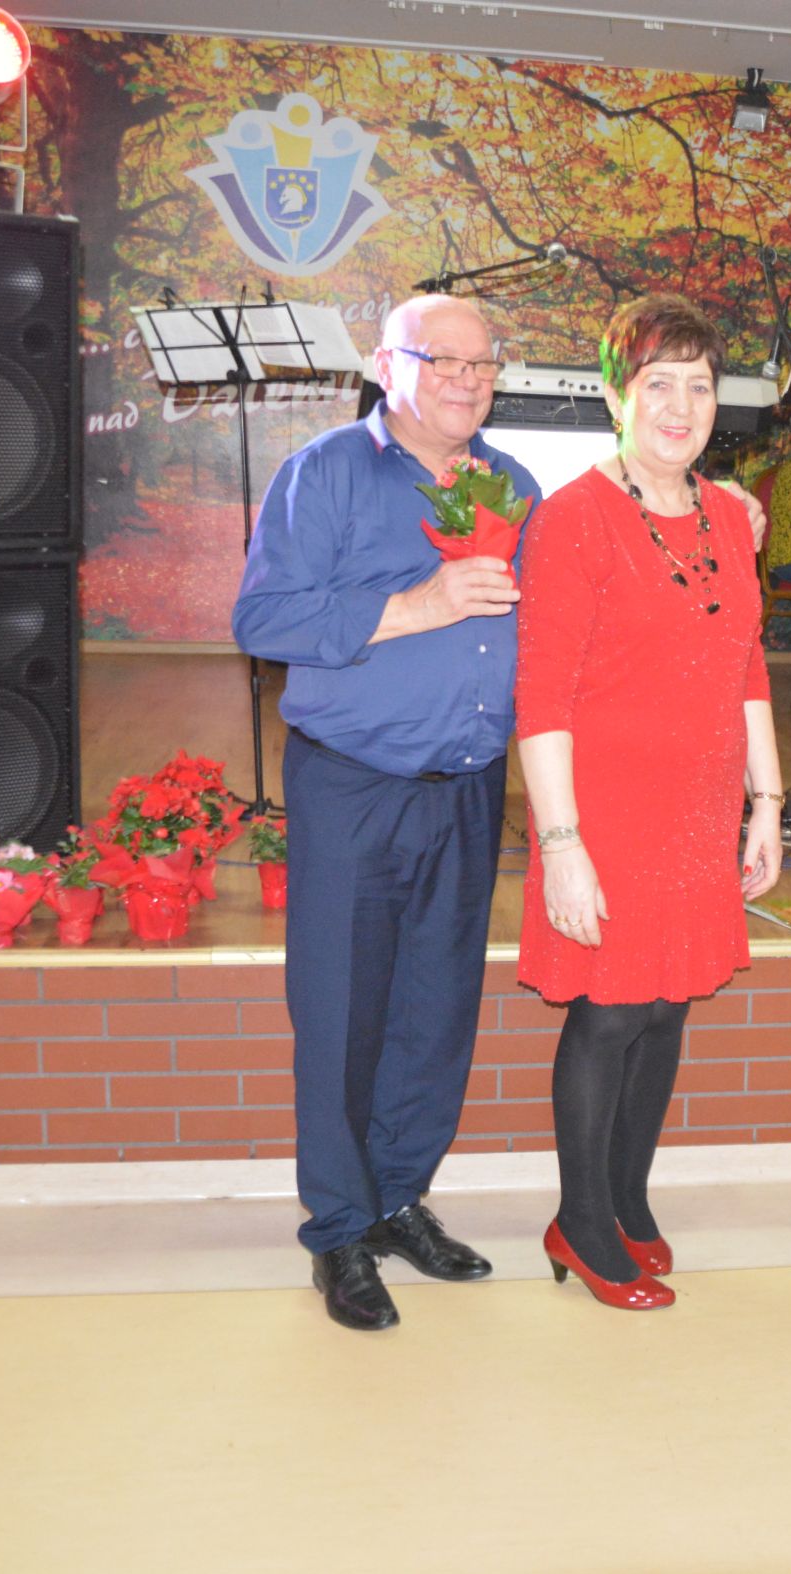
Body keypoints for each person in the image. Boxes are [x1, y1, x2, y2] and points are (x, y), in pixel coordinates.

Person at [231, 294, 532, 1332]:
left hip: (469, 789)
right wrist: (419, 605)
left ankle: (399, 1198)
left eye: (482, 363)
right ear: (383, 364)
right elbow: (263, 618)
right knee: (342, 1016)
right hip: (354, 787)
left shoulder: (512, 484)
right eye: (440, 358)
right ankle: (339, 1230)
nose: (466, 379)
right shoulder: (325, 473)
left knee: (435, 1014)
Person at [513, 294, 785, 1309]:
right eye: (657, 383)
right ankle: (580, 1222)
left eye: (699, 386)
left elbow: (745, 664)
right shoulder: (574, 518)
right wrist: (563, 844)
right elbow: (541, 698)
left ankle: (626, 1200)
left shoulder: (730, 516)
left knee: (668, 1008)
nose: (680, 406)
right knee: (613, 1011)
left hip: (698, 811)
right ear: (614, 396)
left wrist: (766, 802)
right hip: (608, 813)